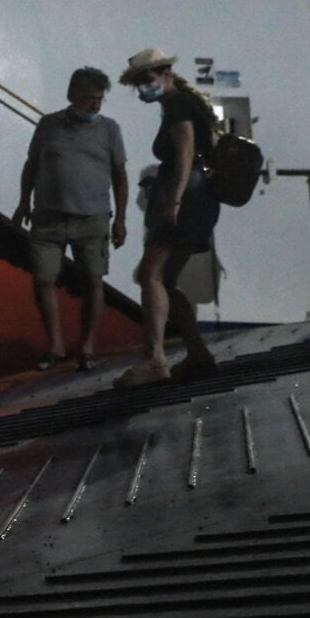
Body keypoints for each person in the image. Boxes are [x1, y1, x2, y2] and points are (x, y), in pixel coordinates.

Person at [113, 49, 221, 388]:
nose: (144, 88)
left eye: (147, 80)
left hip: (185, 193)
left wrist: (173, 201)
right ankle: (198, 353)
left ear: (165, 73)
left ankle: (154, 359)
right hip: (198, 194)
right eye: (139, 83)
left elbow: (186, 152)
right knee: (166, 278)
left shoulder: (177, 105)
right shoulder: (186, 101)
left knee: (151, 273)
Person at [13, 67, 130, 371]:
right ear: (73, 96)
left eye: (100, 100)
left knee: (93, 280)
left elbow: (120, 175)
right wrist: (24, 201)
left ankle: (87, 344)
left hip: (92, 219)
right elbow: (32, 165)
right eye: (90, 99)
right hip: (48, 217)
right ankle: (55, 344)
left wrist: (121, 218)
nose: (96, 105)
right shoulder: (48, 125)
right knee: (43, 278)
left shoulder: (109, 130)